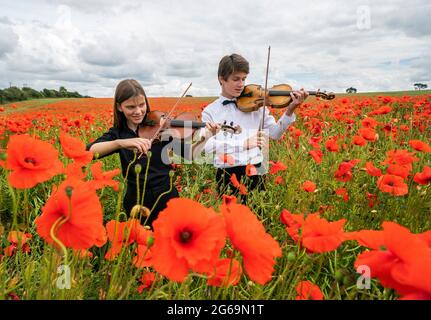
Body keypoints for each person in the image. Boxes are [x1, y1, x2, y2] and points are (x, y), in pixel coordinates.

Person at [87, 79, 218, 227]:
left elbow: (190, 155)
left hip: (166, 196)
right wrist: (120, 143)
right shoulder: (118, 133)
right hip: (136, 200)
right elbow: (90, 151)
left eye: (141, 105)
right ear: (119, 107)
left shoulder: (160, 126)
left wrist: (206, 137)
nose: (138, 111)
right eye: (131, 107)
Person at [200, 53, 308, 202]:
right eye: (235, 79)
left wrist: (290, 110)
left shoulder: (257, 106)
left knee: (258, 220)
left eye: (244, 79)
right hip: (227, 174)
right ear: (221, 79)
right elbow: (208, 146)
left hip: (256, 170)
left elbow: (275, 133)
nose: (241, 84)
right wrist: (243, 144)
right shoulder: (210, 111)